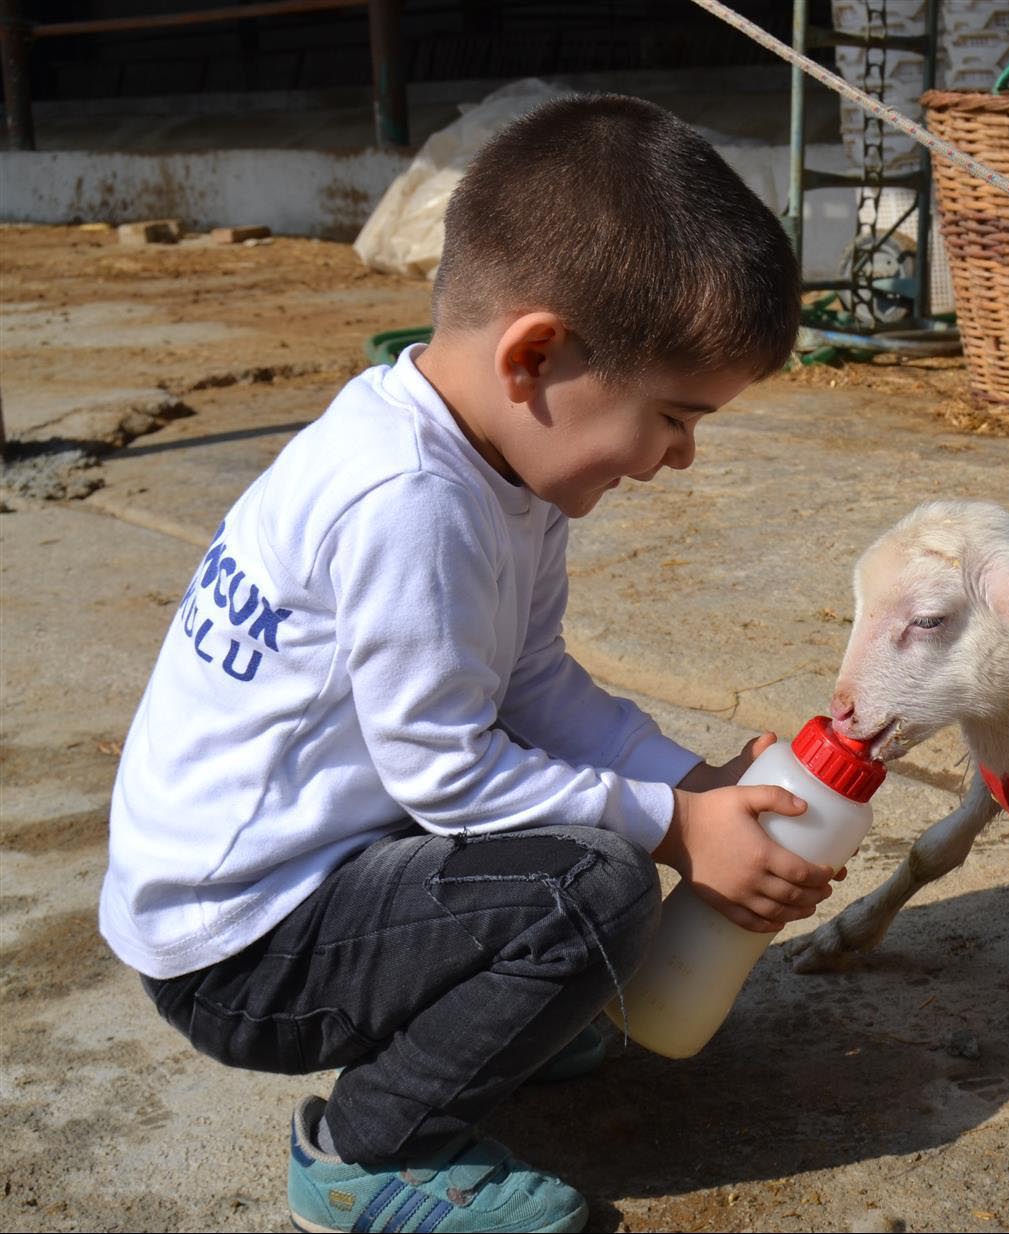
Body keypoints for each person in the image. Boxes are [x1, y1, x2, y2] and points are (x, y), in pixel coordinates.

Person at [99, 93, 832, 1234]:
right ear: (536, 356)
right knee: (591, 891)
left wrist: (687, 784)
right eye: (676, 417)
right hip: (240, 948)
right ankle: (365, 1151)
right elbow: (447, 775)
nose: (681, 459)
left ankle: (484, 1020)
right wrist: (673, 830)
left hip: (316, 863)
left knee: (585, 876)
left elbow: (532, 685)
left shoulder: (498, 469)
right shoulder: (408, 501)